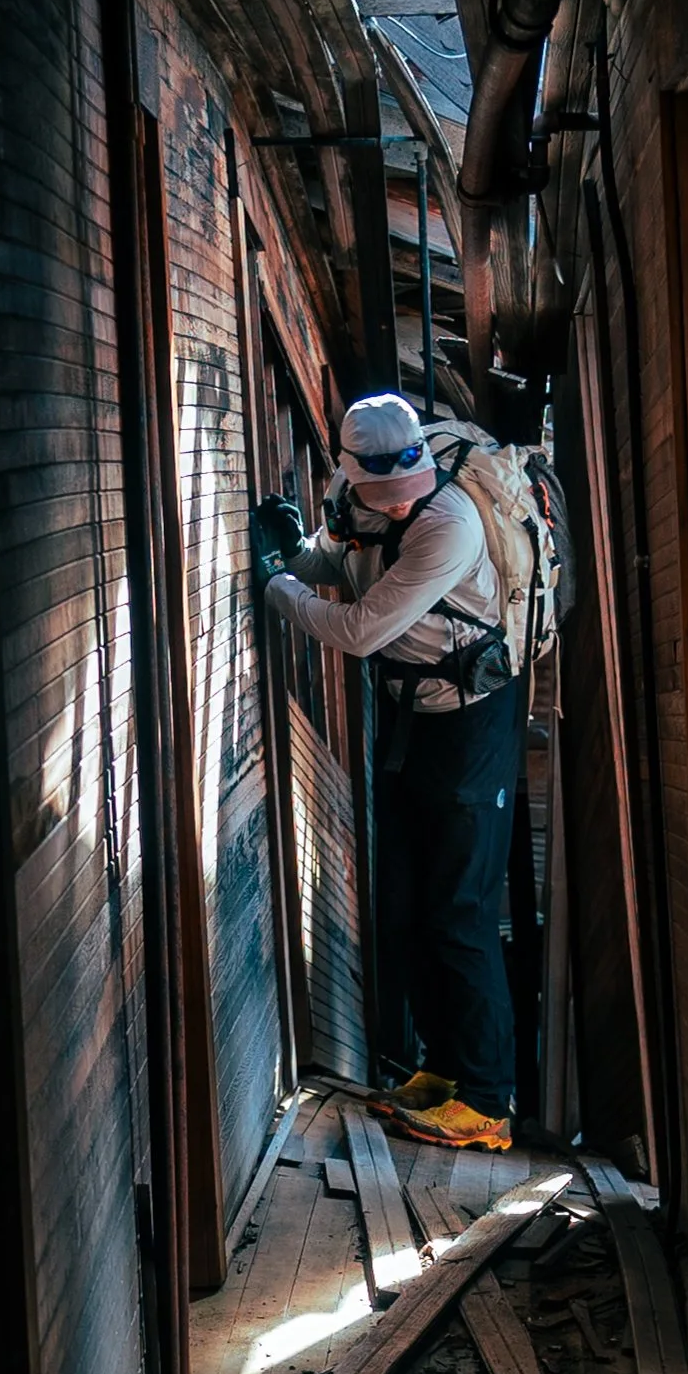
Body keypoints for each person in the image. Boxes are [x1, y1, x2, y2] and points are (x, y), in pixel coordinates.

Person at [255, 392, 523, 1151]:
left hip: (473, 722)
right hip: (413, 720)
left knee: (460, 910)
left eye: (406, 495)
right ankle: (442, 1070)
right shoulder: (357, 497)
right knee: (407, 901)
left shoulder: (450, 523)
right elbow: (341, 563)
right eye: (384, 502)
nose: (398, 511)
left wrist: (278, 582)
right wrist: (296, 553)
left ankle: (486, 1101)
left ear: (419, 467)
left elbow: (358, 627)